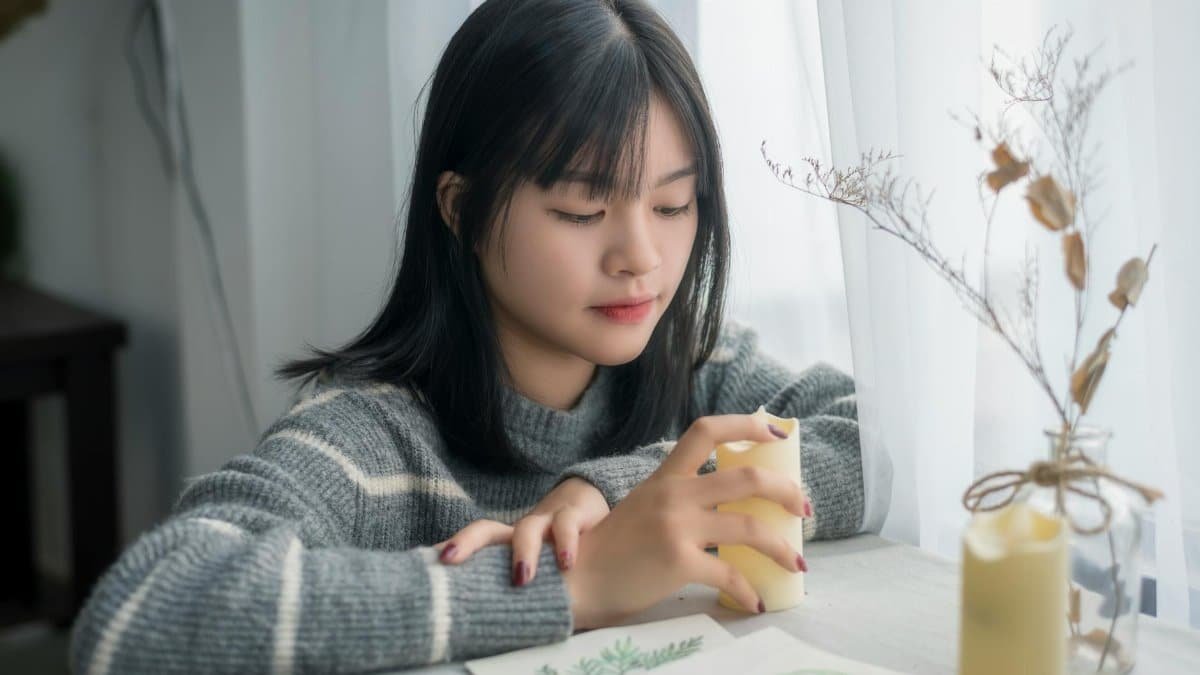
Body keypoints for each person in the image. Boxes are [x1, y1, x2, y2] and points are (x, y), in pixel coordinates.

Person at [69, 0, 885, 671]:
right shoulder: (372, 437)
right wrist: (572, 581)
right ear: (460, 208)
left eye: (674, 205)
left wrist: (614, 491)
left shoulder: (699, 366)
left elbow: (877, 447)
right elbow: (140, 614)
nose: (642, 256)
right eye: (581, 209)